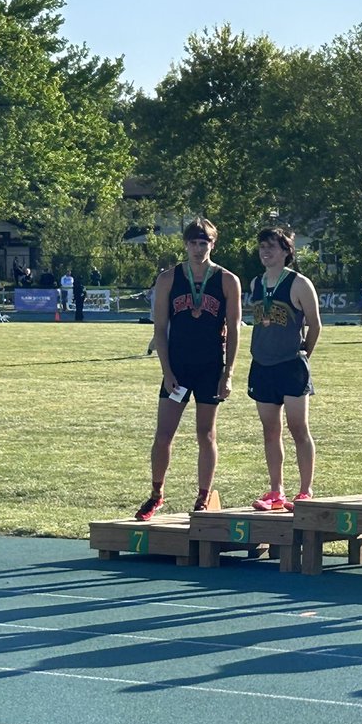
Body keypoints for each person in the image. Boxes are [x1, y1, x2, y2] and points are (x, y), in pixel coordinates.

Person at [135, 218, 242, 520]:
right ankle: (156, 494)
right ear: (185, 244)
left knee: (206, 434)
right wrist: (167, 371)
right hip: (178, 368)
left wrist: (229, 373)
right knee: (163, 434)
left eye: (204, 242)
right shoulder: (168, 279)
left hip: (210, 367)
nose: (198, 248)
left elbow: (234, 330)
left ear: (213, 244)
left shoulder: (226, 280)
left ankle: (203, 496)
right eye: (194, 243)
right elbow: (160, 329)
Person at [247, 227, 322, 511]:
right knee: (270, 431)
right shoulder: (256, 283)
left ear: (287, 251)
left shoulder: (299, 283)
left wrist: (305, 353)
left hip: (291, 365)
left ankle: (305, 490)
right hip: (262, 366)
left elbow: (315, 324)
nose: (266, 252)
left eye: (273, 247)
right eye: (262, 247)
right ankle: (276, 490)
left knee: (298, 428)